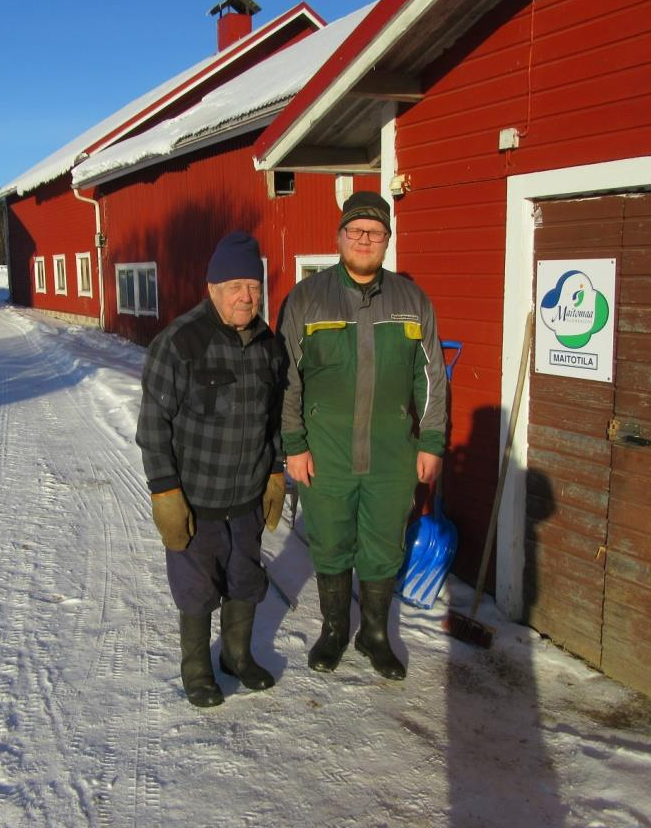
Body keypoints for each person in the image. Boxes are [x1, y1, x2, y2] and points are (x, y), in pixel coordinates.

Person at [278, 191, 447, 680]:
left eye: (375, 232)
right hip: (324, 453)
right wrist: (294, 445)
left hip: (392, 455)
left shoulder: (412, 301)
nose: (365, 240)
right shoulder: (307, 299)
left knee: (382, 546)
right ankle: (333, 630)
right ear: (339, 238)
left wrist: (431, 442)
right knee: (329, 541)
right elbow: (287, 376)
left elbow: (431, 377)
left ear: (388, 241)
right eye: (355, 231)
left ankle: (373, 634)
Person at [136, 231, 287, 708]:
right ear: (213, 288)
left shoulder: (269, 346)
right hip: (195, 501)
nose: (246, 296)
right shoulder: (180, 343)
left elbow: (277, 416)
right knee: (197, 589)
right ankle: (198, 668)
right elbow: (153, 424)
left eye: (254, 285)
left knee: (245, 580)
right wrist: (165, 492)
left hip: (245, 498)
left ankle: (237, 656)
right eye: (235, 285)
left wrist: (277, 471)